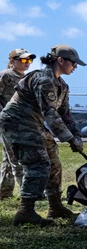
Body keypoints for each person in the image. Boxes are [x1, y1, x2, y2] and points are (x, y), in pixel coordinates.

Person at [0, 45, 86, 225]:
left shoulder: (61, 85)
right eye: (73, 63)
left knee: (54, 161)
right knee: (39, 163)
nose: (75, 67)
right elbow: (50, 114)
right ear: (60, 60)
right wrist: (70, 139)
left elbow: (65, 114)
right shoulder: (43, 79)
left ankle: (55, 207)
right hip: (17, 121)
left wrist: (77, 136)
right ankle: (25, 212)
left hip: (34, 122)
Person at [1, 48, 36, 200]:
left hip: (22, 121)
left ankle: (3, 192)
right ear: (13, 61)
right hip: (9, 122)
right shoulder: (6, 75)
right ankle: (26, 193)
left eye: (29, 60)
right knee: (17, 158)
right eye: (23, 60)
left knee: (8, 159)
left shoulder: (26, 77)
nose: (27, 63)